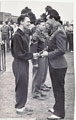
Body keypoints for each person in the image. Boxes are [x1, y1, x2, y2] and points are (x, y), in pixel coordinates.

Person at [41, 9, 68, 119]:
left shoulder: (59, 31)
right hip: (55, 64)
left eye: (47, 20)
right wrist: (47, 49)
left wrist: (48, 54)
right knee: (56, 88)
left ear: (52, 18)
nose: (47, 23)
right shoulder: (56, 29)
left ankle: (59, 113)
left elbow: (62, 50)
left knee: (58, 89)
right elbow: (55, 45)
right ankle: (57, 107)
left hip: (58, 65)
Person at [11, 14, 39, 114]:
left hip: (23, 63)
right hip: (19, 63)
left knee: (24, 84)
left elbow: (23, 50)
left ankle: (22, 105)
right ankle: (19, 107)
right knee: (21, 85)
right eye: (27, 21)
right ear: (21, 22)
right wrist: (32, 55)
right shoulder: (17, 35)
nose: (29, 23)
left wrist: (31, 54)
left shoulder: (22, 34)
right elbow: (19, 53)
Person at [31, 19, 50, 99]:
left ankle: (39, 89)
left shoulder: (42, 34)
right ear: (37, 25)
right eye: (42, 25)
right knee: (37, 75)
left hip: (43, 56)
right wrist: (34, 62)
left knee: (42, 73)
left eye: (44, 24)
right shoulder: (35, 35)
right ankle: (36, 93)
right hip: (38, 57)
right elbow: (33, 49)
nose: (44, 26)